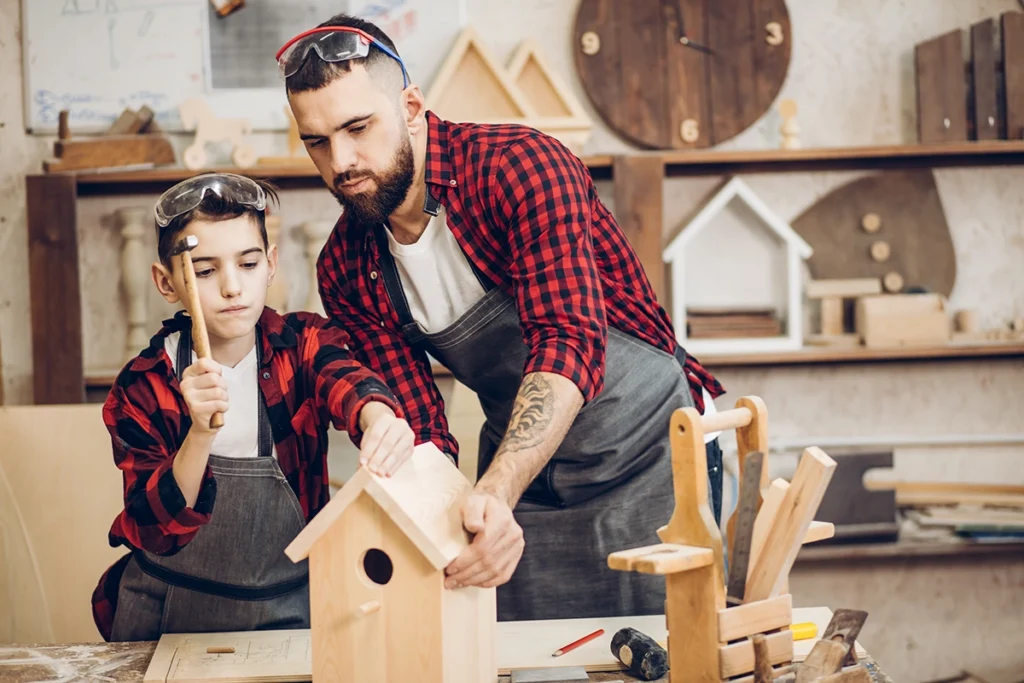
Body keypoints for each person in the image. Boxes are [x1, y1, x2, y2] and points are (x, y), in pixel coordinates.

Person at [279, 14, 727, 621]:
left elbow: (566, 340)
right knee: (525, 655)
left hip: (650, 450)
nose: (342, 162)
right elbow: (420, 429)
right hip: (526, 477)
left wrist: (496, 487)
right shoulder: (347, 264)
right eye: (317, 140)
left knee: (665, 646)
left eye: (359, 127)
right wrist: (459, 515)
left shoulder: (518, 168)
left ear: (411, 106)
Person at [91, 173, 416, 641]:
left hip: (286, 608)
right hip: (170, 611)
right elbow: (153, 528)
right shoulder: (144, 385)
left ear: (271, 263)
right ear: (166, 283)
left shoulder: (300, 345)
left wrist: (378, 416)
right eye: (204, 271)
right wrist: (199, 433)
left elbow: (345, 378)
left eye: (247, 263)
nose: (231, 287)